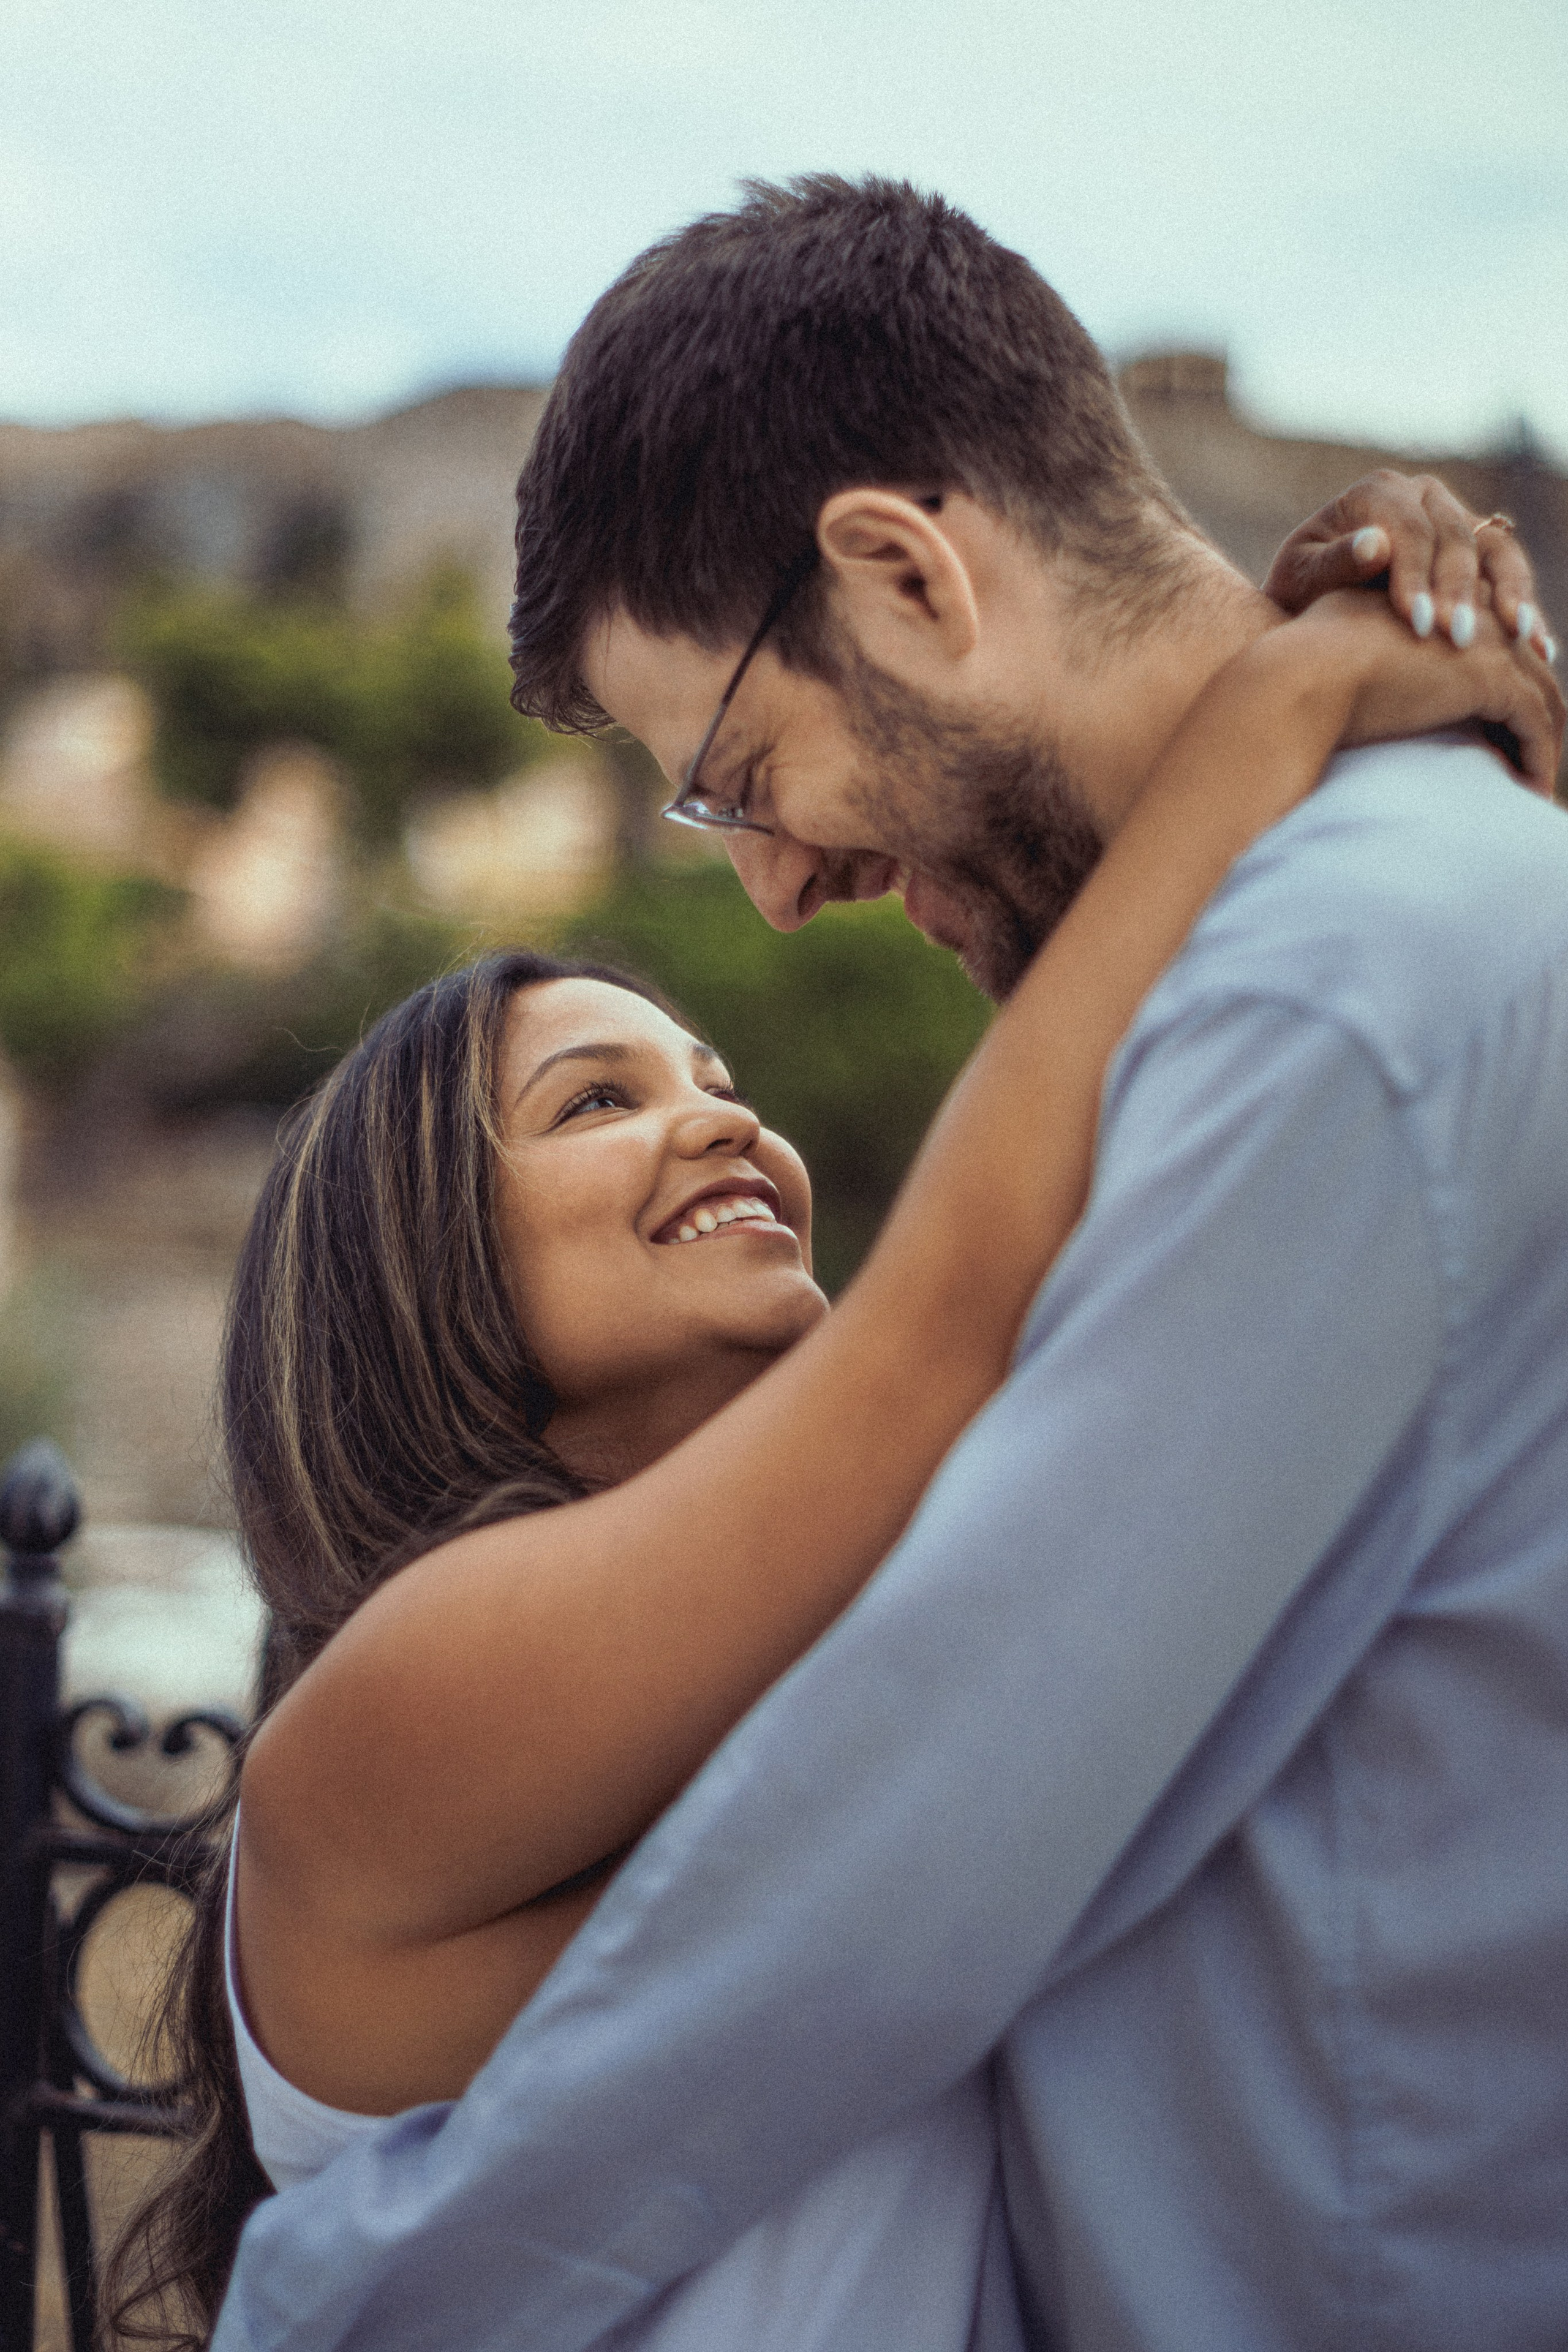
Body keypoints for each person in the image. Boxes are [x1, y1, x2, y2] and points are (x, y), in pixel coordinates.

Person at [207, 181, 1568, 2352]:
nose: (767, 900)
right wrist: (1272, 718)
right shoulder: (397, 1730)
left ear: (909, 576)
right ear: (419, 1288)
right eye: (591, 1107)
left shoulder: (1321, 1033)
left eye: (738, 773)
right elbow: (948, 1331)